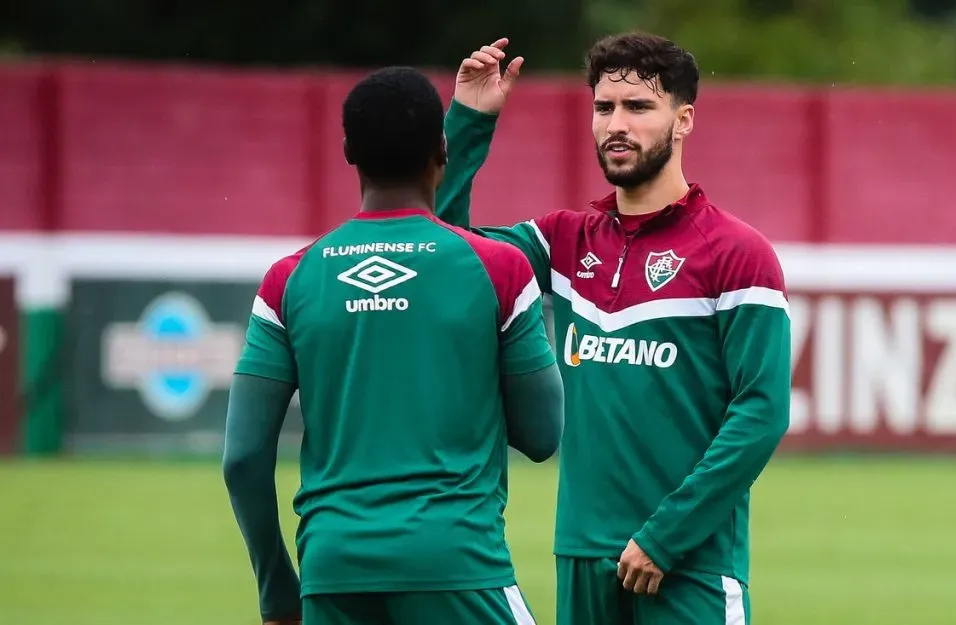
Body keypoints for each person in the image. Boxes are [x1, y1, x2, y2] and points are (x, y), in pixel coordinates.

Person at [436, 34, 792, 625]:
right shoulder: (565, 241)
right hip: (580, 555)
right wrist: (469, 120)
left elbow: (761, 411)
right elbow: (446, 254)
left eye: (638, 107)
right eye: (604, 108)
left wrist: (666, 537)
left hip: (689, 563)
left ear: (684, 121)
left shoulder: (738, 254)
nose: (616, 125)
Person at [222, 65, 564, 625]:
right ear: (442, 149)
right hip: (457, 565)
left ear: (348, 151)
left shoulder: (290, 279)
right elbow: (542, 435)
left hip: (332, 573)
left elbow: (242, 458)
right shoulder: (500, 269)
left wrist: (276, 589)